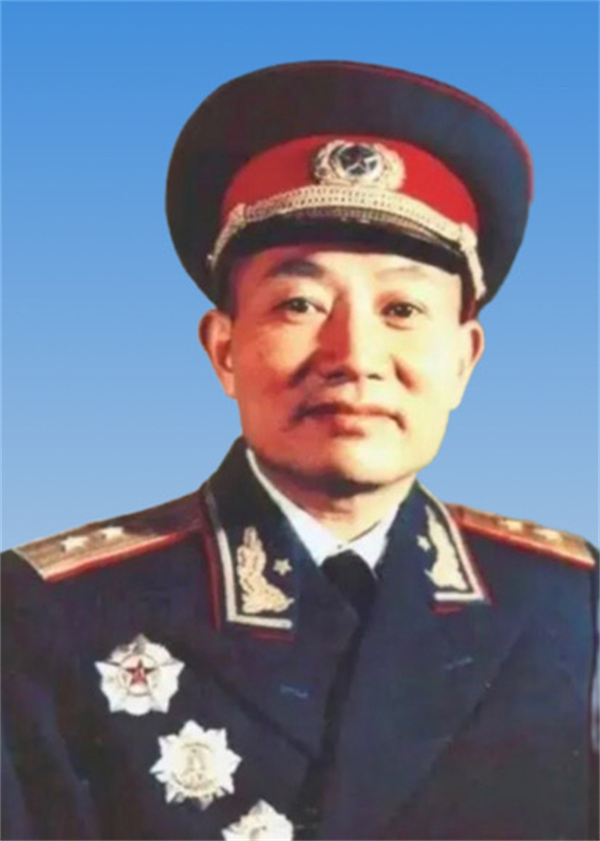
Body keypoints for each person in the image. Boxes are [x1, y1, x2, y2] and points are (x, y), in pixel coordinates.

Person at [1, 60, 597, 841]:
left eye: (402, 308)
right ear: (224, 349)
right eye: (300, 303)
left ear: (464, 358)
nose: (355, 356)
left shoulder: (570, 603)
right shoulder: (52, 612)